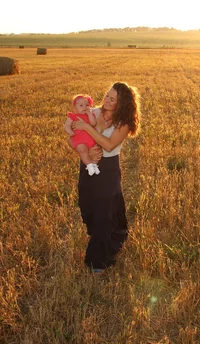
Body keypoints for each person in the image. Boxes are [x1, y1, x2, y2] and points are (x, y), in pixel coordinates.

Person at [71, 82, 140, 273]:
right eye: (107, 96)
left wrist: (87, 128)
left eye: (113, 99)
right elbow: (72, 134)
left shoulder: (124, 123)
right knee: (86, 206)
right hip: (88, 165)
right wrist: (83, 150)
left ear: (123, 104)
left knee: (103, 213)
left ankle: (97, 260)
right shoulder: (92, 112)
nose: (107, 101)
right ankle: (106, 235)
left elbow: (109, 145)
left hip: (108, 168)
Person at [64, 94, 100, 176]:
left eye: (87, 105)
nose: (84, 107)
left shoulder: (90, 115)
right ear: (75, 108)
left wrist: (89, 114)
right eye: (81, 105)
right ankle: (89, 165)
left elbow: (93, 123)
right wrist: (70, 132)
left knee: (97, 151)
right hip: (80, 139)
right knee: (83, 150)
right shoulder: (73, 116)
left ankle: (94, 164)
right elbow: (66, 125)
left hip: (91, 138)